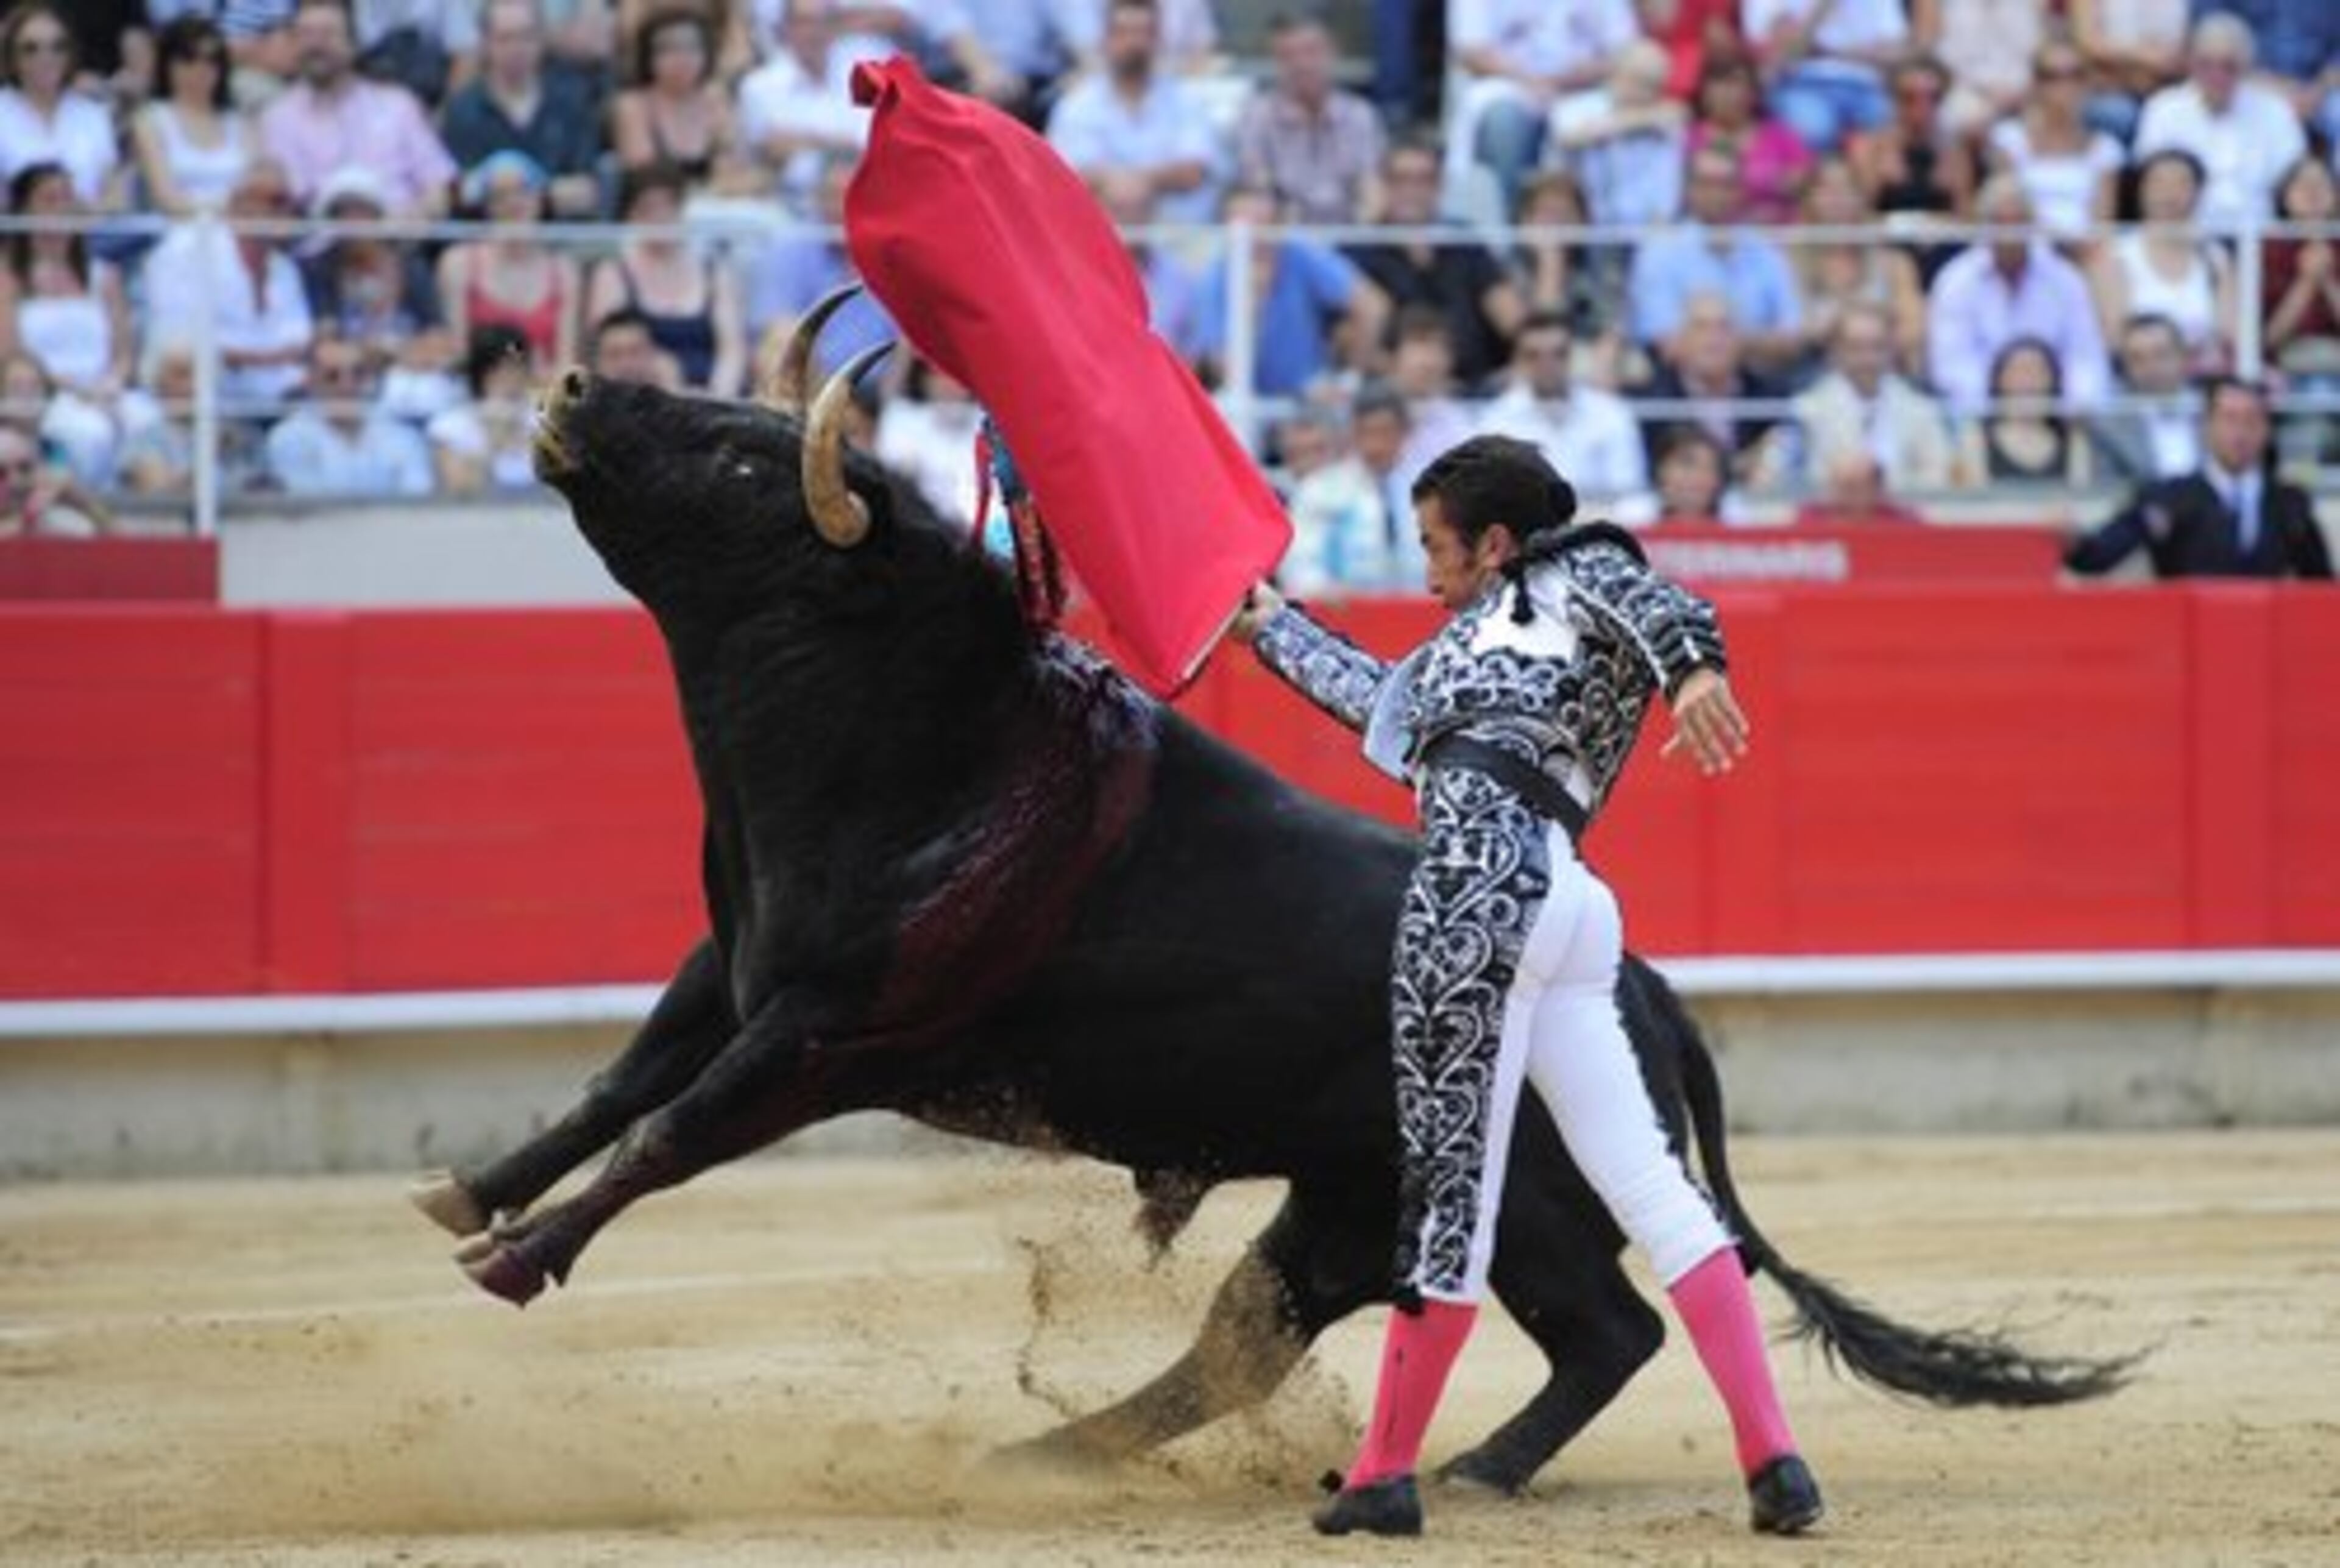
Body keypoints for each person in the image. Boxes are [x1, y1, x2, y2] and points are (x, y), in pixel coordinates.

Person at [1227, 433, 1821, 1542]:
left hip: (1477, 893)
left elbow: (1670, 608)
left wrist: (1696, 672)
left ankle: (1384, 1474)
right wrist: (1272, 628)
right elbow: (1385, 706)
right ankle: (1775, 1457)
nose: (1427, 568)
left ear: (1496, 541)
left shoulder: (1578, 573)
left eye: (1437, 546)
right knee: (1654, 1188)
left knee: (1452, 1189)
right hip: (1570, 905)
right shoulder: (1477, 643)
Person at [2065, 377, 2333, 579]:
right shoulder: (2169, 497)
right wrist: (2073, 542)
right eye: (2229, 419)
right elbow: (2099, 557)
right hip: (2185, 643)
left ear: (2266, 430)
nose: (2240, 433)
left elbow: (2320, 584)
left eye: (2251, 420)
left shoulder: (2288, 503)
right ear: (2206, 426)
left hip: (2266, 643)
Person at [1346, 138, 1526, 388]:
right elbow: (1348, 341)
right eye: (1401, 180)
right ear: (1385, 185)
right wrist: (1415, 378)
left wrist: (1519, 365)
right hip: (1393, 394)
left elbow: (1514, 319)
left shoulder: (1464, 241)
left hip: (1475, 390)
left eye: (1424, 180)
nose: (1412, 191)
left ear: (1439, 186)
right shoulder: (1360, 250)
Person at [1926, 176, 2110, 417]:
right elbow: (1951, 367)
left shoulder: (2066, 280)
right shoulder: (1955, 281)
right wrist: (2005, 407)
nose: (2009, 232)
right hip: (1979, 416)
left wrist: (2059, 407)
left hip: (2056, 412)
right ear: (1983, 226)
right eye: (2000, 222)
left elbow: (2085, 359)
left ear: (2033, 225)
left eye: (2018, 222)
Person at [260, 0, 457, 218]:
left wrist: (413, 218)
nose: (316, 46)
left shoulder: (398, 106)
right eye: (306, 35)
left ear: (353, 44)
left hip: (397, 236)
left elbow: (439, 188)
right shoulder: (279, 118)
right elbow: (293, 202)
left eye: (328, 34)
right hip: (320, 241)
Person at [1624, 143, 1804, 375]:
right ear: (1688, 190)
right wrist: (1753, 342)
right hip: (1682, 385)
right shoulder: (1659, 252)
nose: (1716, 194)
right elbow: (1667, 345)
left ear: (1741, 190)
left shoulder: (1766, 250)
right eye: (1706, 184)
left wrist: (1712, 343)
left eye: (1726, 184)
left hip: (1759, 381)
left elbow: (1793, 338)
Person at [1044, 0, 1222, 227]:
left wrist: (1136, 182)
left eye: (1143, 33)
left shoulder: (1187, 101)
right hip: (1100, 231)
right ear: (1106, 40)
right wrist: (1132, 184)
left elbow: (1194, 172)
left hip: (1177, 240)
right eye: (1124, 33)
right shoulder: (1076, 106)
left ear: (1159, 40)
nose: (1134, 43)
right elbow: (1068, 176)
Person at [2131, 13, 2306, 237]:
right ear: (2191, 63)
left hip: (2260, 240)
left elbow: (2294, 181)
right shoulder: (2164, 109)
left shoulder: (2275, 111)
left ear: (2246, 67)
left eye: (2228, 66)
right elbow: (2151, 182)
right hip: (2186, 239)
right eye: (2206, 64)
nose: (2217, 75)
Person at [583, 161, 746, 396]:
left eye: (669, 206)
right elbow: (612, 352)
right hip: (643, 397)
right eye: (649, 208)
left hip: (710, 396)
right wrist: (669, 392)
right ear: (632, 215)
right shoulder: (614, 273)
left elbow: (732, 350)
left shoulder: (714, 271)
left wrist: (718, 400)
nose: (661, 217)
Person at [438, 0, 606, 221]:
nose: (517, 48)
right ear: (486, 44)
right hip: (484, 242)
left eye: (526, 37)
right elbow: (456, 194)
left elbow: (587, 191)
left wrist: (514, 192)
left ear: (542, 40)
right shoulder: (462, 110)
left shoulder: (571, 104)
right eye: (505, 38)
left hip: (560, 241)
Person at [1475, 307, 1647, 509]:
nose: (1547, 364)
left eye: (1559, 354)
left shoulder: (1612, 414)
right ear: (1517, 360)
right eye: (1533, 355)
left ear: (1573, 355)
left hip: (1599, 529)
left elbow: (1631, 493)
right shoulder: (1494, 421)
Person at [2088, 148, 2235, 374]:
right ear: (2141, 191)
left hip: (2203, 379)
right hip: (2137, 380)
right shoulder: (2115, 255)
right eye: (2159, 183)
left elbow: (2229, 333)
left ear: (2199, 193)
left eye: (2182, 184)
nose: (2170, 193)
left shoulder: (2216, 257)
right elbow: (2115, 337)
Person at [1232, 10, 1383, 226]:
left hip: (1350, 237)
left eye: (1312, 51)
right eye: (1289, 55)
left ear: (1333, 53)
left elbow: (1372, 192)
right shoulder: (1257, 117)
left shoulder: (1360, 115)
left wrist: (1357, 237)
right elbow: (1257, 190)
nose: (1302, 64)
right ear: (1277, 63)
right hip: (1285, 240)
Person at [436, 150, 580, 374]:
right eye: (500, 195)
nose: (513, 202)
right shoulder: (459, 263)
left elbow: (566, 362)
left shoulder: (563, 270)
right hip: (481, 395)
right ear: (486, 205)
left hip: (542, 395)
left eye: (523, 191)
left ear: (540, 199)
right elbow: (459, 353)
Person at [1792, 299, 1955, 494]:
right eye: (1856, 348)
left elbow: (1940, 476)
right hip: (1830, 520)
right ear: (1835, 352)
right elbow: (1788, 480)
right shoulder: (1807, 409)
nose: (1867, 359)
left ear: (1891, 350)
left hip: (1904, 518)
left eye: (1877, 347)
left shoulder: (1919, 408)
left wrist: (1882, 487)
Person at [1983, 38, 2121, 242]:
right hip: (2023, 252)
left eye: (2075, 75)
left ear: (2087, 82)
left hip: (2085, 254)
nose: (2064, 86)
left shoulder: (2106, 149)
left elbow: (2102, 225)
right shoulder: (2008, 140)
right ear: (2036, 84)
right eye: (2052, 77)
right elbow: (2007, 210)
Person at [262, 333, 434, 494]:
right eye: (332, 376)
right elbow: (308, 502)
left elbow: (417, 497)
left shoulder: (402, 435)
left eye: (358, 374)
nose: (347, 386)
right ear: (311, 382)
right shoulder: (288, 437)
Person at [131, 15, 263, 216]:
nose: (201, 68)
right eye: (189, 58)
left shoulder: (241, 122)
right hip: (177, 234)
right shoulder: (150, 120)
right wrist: (228, 210)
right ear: (167, 65)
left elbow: (257, 191)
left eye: (212, 59)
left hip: (240, 235)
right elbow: (167, 200)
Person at [611, 6, 743, 196]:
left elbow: (733, 167)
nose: (682, 58)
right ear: (649, 56)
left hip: (713, 209)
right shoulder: (632, 107)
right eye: (669, 49)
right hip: (657, 215)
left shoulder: (715, 101)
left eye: (692, 48)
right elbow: (646, 179)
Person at [0, 2, 121, 206]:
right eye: (31, 49)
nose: (46, 57)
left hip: (89, 233)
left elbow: (116, 196)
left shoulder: (93, 114)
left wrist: (82, 219)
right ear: (12, 57)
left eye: (58, 46)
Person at [1682, 44, 1807, 225]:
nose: (1725, 93)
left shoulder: (1781, 136)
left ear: (1753, 91)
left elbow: (1802, 183)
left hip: (1777, 234)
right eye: (1717, 84)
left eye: (1734, 83)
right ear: (1705, 92)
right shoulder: (1689, 138)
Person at [1957, 336, 2091, 486]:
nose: (2028, 380)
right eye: (2018, 371)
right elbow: (1976, 499)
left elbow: (2081, 495)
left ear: (2053, 380)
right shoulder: (1977, 436)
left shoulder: (2072, 438)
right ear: (1999, 379)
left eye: (2037, 372)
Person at [2088, 311, 2200, 484]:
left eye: (2161, 355)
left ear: (2183, 357)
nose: (2151, 368)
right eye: (2138, 359)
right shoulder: (2110, 427)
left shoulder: (2212, 408)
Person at [427, 322, 538, 494]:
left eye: (517, 367)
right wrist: (493, 447)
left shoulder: (544, 423)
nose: (511, 377)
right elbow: (457, 486)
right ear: (481, 373)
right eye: (499, 369)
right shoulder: (450, 426)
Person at [0, 417, 109, 535]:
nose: (15, 481)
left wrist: (82, 499)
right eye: (1, 473)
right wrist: (29, 516)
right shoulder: (31, 514)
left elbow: (117, 530)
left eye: (25, 468)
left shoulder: (55, 517)